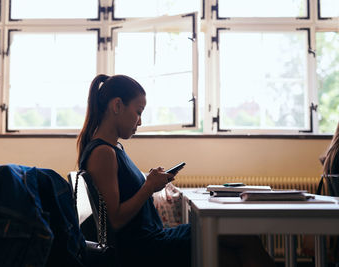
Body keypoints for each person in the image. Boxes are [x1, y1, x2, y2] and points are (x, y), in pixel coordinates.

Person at [77, 74, 275, 267]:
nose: (140, 121)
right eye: (138, 112)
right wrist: (148, 187)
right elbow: (115, 220)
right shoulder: (103, 153)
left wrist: (150, 180)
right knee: (238, 247)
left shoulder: (114, 149)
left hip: (154, 238)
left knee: (238, 243)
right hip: (145, 248)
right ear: (117, 105)